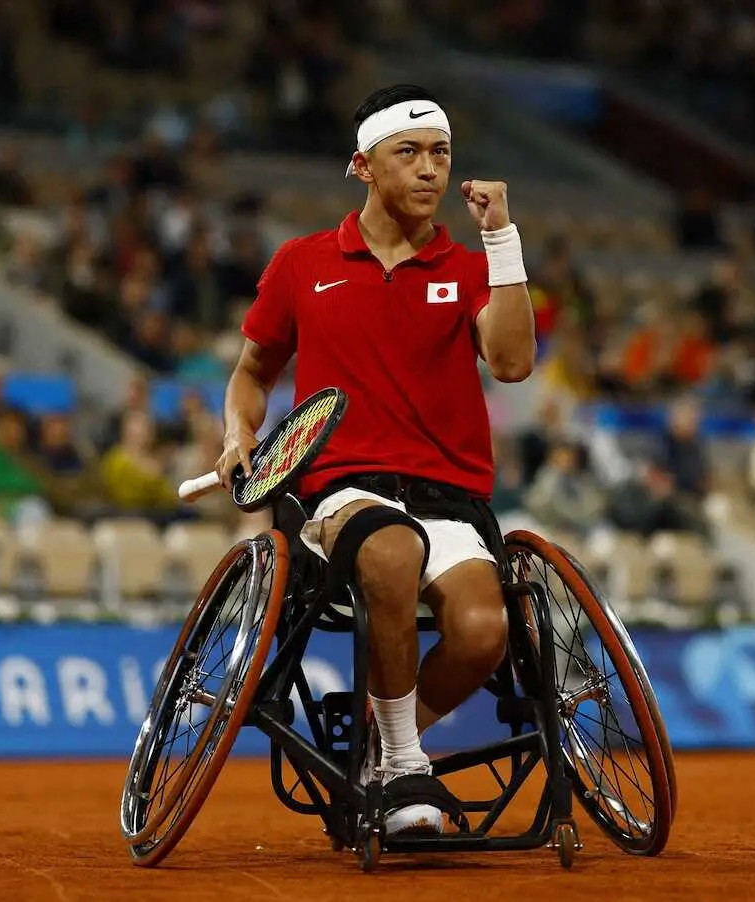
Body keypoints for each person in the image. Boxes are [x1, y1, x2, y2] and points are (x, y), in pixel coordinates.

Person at [213, 84, 535, 837]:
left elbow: (514, 363)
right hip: (343, 490)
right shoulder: (302, 263)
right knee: (390, 552)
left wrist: (502, 240)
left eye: (441, 154)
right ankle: (404, 767)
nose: (430, 170)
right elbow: (252, 373)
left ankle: (387, 742)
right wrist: (237, 436)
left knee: (486, 633)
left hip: (450, 496)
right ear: (362, 165)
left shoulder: (468, 265)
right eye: (410, 153)